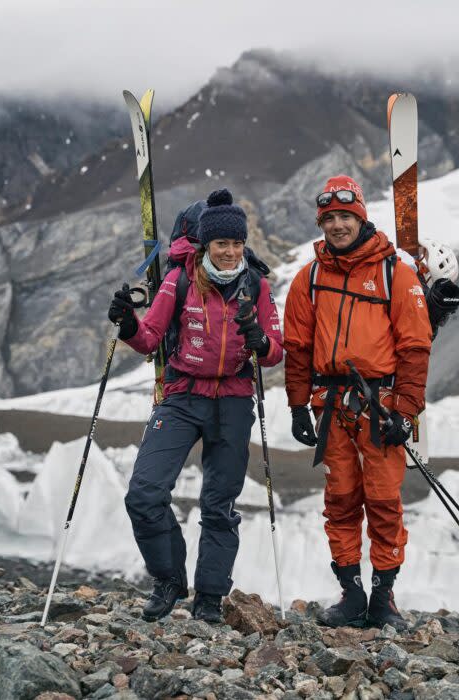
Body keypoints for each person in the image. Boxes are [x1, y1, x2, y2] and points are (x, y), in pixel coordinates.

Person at [108, 189, 283, 623]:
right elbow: (149, 337)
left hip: (235, 401)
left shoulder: (256, 284)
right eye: (221, 244)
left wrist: (261, 342)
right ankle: (168, 579)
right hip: (183, 396)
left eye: (236, 243)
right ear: (205, 245)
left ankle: (208, 597)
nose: (229, 252)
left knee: (219, 505)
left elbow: (278, 350)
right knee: (144, 494)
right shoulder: (179, 280)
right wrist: (128, 324)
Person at [283, 174, 433, 630]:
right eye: (329, 219)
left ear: (361, 218)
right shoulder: (308, 278)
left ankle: (384, 598)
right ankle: (351, 595)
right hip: (329, 406)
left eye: (346, 216)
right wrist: (296, 406)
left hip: (380, 406)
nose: (337, 226)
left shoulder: (395, 273)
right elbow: (297, 347)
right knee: (341, 501)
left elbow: (415, 347)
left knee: (384, 501)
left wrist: (404, 413)